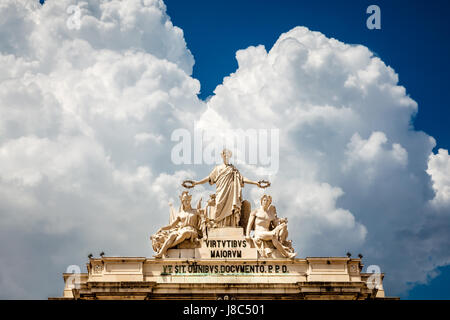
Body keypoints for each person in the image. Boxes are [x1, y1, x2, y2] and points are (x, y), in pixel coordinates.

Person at [188, 149, 266, 227]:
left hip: (231, 193)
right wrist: (196, 183)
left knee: (232, 207)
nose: (226, 156)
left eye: (228, 154)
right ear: (222, 156)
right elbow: (209, 178)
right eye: (224, 154)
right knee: (219, 205)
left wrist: (255, 183)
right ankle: (218, 224)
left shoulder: (233, 169)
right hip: (221, 191)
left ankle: (231, 225)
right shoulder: (218, 168)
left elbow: (242, 179)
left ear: (230, 156)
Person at [151, 191, 202, 258]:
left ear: (190, 201)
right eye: (185, 200)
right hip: (182, 230)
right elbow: (171, 226)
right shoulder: (180, 214)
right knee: (172, 235)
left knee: (185, 233)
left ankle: (168, 247)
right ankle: (160, 253)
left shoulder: (195, 211)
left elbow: (203, 220)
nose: (187, 202)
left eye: (188, 200)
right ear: (182, 202)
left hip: (192, 230)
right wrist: (162, 228)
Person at [246, 194, 296, 259]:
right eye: (264, 200)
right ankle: (286, 254)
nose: (266, 202)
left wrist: (281, 222)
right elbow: (249, 224)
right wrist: (247, 235)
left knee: (281, 228)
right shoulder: (256, 212)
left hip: (268, 233)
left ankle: (284, 250)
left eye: (267, 201)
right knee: (273, 235)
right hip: (259, 233)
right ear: (261, 201)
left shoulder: (270, 214)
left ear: (269, 203)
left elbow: (275, 225)